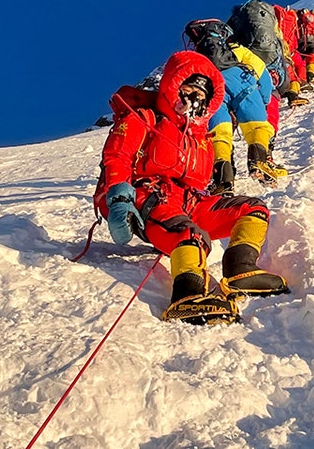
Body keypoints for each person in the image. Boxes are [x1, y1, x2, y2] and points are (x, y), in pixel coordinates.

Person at [98, 50, 289, 325]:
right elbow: (117, 156)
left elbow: (199, 182)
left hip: (189, 201)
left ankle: (241, 269)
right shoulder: (144, 118)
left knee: (252, 208)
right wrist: (119, 198)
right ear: (172, 86)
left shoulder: (201, 139)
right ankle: (186, 296)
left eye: (202, 93)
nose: (195, 97)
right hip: (149, 199)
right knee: (191, 234)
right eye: (189, 88)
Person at [184, 19, 286, 194]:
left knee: (219, 135)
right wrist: (264, 99)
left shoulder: (197, 58)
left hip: (214, 92)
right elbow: (261, 71)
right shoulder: (235, 49)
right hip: (244, 85)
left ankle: (223, 180)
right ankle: (258, 161)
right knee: (258, 127)